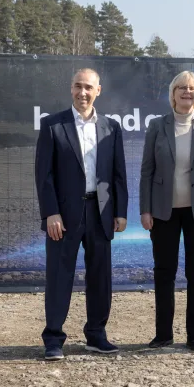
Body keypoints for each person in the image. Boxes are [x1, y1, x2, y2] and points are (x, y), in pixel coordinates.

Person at [34, 68, 129, 360]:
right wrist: (51, 213)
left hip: (100, 213)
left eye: (88, 87)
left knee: (100, 277)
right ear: (71, 88)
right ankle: (53, 339)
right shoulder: (52, 125)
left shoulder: (111, 128)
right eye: (78, 86)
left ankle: (96, 335)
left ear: (98, 90)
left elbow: (118, 174)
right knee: (60, 276)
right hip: (63, 215)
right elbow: (43, 174)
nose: (82, 92)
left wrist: (121, 212)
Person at [139, 71, 194, 351]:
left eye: (193, 88)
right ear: (173, 93)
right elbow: (147, 171)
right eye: (182, 88)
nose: (187, 92)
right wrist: (145, 209)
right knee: (164, 272)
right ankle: (163, 334)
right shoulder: (156, 126)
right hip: (163, 212)